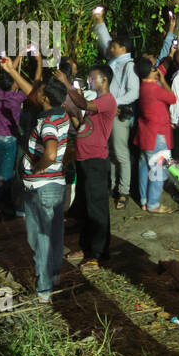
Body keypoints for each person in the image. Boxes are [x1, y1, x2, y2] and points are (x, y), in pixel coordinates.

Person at [58, 65, 116, 271]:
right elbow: (80, 125)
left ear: (104, 80)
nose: (90, 81)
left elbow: (83, 102)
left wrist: (67, 83)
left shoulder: (107, 101)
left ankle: (99, 254)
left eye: (92, 78)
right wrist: (71, 110)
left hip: (96, 162)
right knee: (84, 206)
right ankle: (86, 247)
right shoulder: (95, 106)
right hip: (84, 160)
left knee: (97, 208)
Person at [21, 79, 71, 302]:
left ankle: (44, 289)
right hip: (56, 184)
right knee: (54, 234)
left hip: (41, 186)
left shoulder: (48, 123)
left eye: (40, 91)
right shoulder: (62, 115)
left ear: (46, 98)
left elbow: (50, 154)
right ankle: (54, 275)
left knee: (40, 237)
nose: (36, 93)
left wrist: (37, 168)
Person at [94, 8, 138, 209]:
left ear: (123, 48)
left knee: (120, 153)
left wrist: (114, 103)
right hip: (108, 112)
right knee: (111, 151)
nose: (110, 47)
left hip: (118, 114)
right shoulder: (113, 61)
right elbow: (105, 41)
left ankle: (124, 191)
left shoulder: (129, 66)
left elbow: (133, 93)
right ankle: (112, 186)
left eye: (114, 45)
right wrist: (100, 21)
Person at [0, 61, 26, 222]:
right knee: (6, 176)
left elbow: (9, 73)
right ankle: (0, 209)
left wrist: (19, 56)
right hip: (8, 140)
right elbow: (33, 89)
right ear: (14, 85)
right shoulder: (17, 98)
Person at [135, 56, 177, 214]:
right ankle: (153, 204)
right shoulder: (155, 89)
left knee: (145, 167)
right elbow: (172, 98)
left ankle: (144, 200)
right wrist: (164, 79)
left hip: (146, 134)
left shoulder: (143, 87)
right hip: (158, 135)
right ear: (151, 72)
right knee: (158, 170)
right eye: (154, 68)